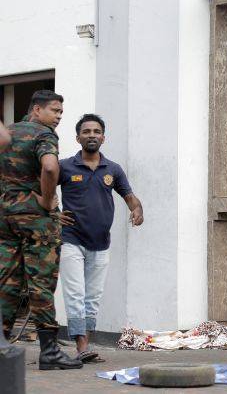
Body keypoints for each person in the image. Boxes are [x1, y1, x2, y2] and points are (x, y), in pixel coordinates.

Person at [0, 90, 82, 370]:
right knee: (41, 282)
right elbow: (49, 167)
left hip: (5, 216)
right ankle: (49, 351)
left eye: (61, 112)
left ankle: (2, 345)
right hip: (36, 219)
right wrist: (47, 200)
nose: (59, 117)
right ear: (36, 109)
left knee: (7, 280)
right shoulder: (43, 134)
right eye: (54, 111)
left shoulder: (7, 133)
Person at [57, 113, 144, 363]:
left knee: (92, 297)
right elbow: (42, 187)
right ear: (78, 137)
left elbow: (129, 196)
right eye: (86, 132)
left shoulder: (113, 169)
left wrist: (137, 209)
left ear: (103, 137)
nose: (91, 135)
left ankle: (85, 345)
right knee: (75, 294)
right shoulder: (65, 166)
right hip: (71, 240)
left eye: (96, 132)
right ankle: (82, 347)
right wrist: (53, 213)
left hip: (101, 243)